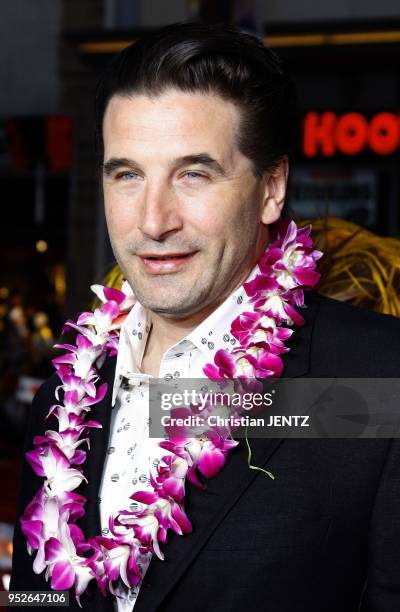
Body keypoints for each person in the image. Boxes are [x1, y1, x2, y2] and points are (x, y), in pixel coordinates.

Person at [10, 23, 400, 612]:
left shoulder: (376, 383)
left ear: (272, 187)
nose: (153, 220)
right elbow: (35, 599)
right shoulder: (64, 398)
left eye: (194, 174)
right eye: (128, 174)